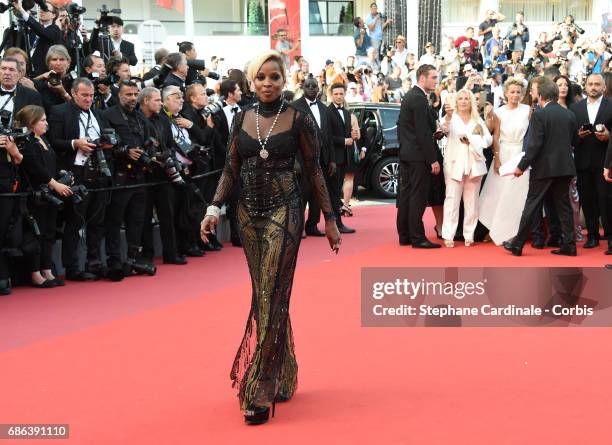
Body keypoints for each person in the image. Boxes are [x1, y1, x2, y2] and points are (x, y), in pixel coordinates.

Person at [199, 50, 340, 425]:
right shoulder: (242, 118)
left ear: (284, 80)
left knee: (270, 291)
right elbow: (231, 167)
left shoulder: (298, 117)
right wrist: (214, 207)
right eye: (261, 77)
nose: (267, 83)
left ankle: (260, 385)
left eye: (274, 77)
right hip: (248, 216)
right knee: (268, 295)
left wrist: (329, 218)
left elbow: (314, 170)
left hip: (286, 211)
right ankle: (285, 369)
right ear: (250, 80)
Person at [504, 77, 579, 256]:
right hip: (565, 167)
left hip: (544, 168)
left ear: (541, 95)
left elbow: (534, 144)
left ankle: (517, 244)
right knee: (564, 206)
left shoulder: (539, 114)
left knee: (532, 205)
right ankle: (569, 245)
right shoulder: (569, 114)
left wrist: (521, 166)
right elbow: (575, 141)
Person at [47, 78, 112, 280]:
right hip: (75, 173)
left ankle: (94, 262)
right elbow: (52, 142)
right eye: (84, 95)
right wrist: (76, 143)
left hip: (98, 172)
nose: (89, 99)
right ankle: (73, 267)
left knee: (97, 221)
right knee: (75, 222)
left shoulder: (98, 114)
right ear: (74, 93)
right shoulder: (59, 111)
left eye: (92, 95)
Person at [16, 105, 72, 287]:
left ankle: (47, 269)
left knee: (49, 232)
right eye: (42, 120)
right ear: (31, 123)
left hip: (51, 194)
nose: (46, 123)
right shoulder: (27, 142)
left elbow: (50, 165)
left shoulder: (44, 140)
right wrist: (54, 183)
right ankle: (35, 273)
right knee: (36, 234)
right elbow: (34, 168)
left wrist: (60, 177)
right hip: (35, 195)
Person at [478, 78, 531, 245]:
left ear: (522, 94)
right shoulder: (498, 112)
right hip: (504, 153)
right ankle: (494, 229)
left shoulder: (528, 110)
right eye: (512, 92)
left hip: (521, 155)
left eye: (518, 92)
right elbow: (496, 136)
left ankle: (516, 232)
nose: (515, 95)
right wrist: (497, 158)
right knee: (497, 194)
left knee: (517, 195)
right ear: (506, 93)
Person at [396, 64, 442, 248]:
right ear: (422, 78)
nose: (436, 81)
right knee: (418, 196)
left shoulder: (410, 96)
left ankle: (405, 235)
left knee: (407, 194)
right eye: (433, 77)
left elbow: (402, 126)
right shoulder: (419, 98)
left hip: (407, 153)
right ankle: (418, 237)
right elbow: (422, 133)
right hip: (418, 156)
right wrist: (432, 159)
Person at [440, 89, 492, 247]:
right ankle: (448, 235)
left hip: (474, 165)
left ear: (471, 102)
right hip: (454, 163)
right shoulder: (451, 118)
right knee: (452, 200)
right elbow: (444, 129)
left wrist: (473, 140)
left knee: (472, 202)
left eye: (466, 99)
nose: (463, 101)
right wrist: (448, 117)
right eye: (460, 98)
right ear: (456, 102)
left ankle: (469, 235)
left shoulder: (478, 120)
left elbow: (488, 140)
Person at [570, 73, 612, 252]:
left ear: (604, 87)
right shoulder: (575, 108)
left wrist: (609, 136)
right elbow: (570, 136)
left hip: (605, 162)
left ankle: (610, 238)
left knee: (607, 201)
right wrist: (577, 136)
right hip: (582, 161)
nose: (593, 87)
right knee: (587, 201)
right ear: (585, 86)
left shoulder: (611, 106)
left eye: (597, 84)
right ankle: (592, 235)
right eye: (590, 84)